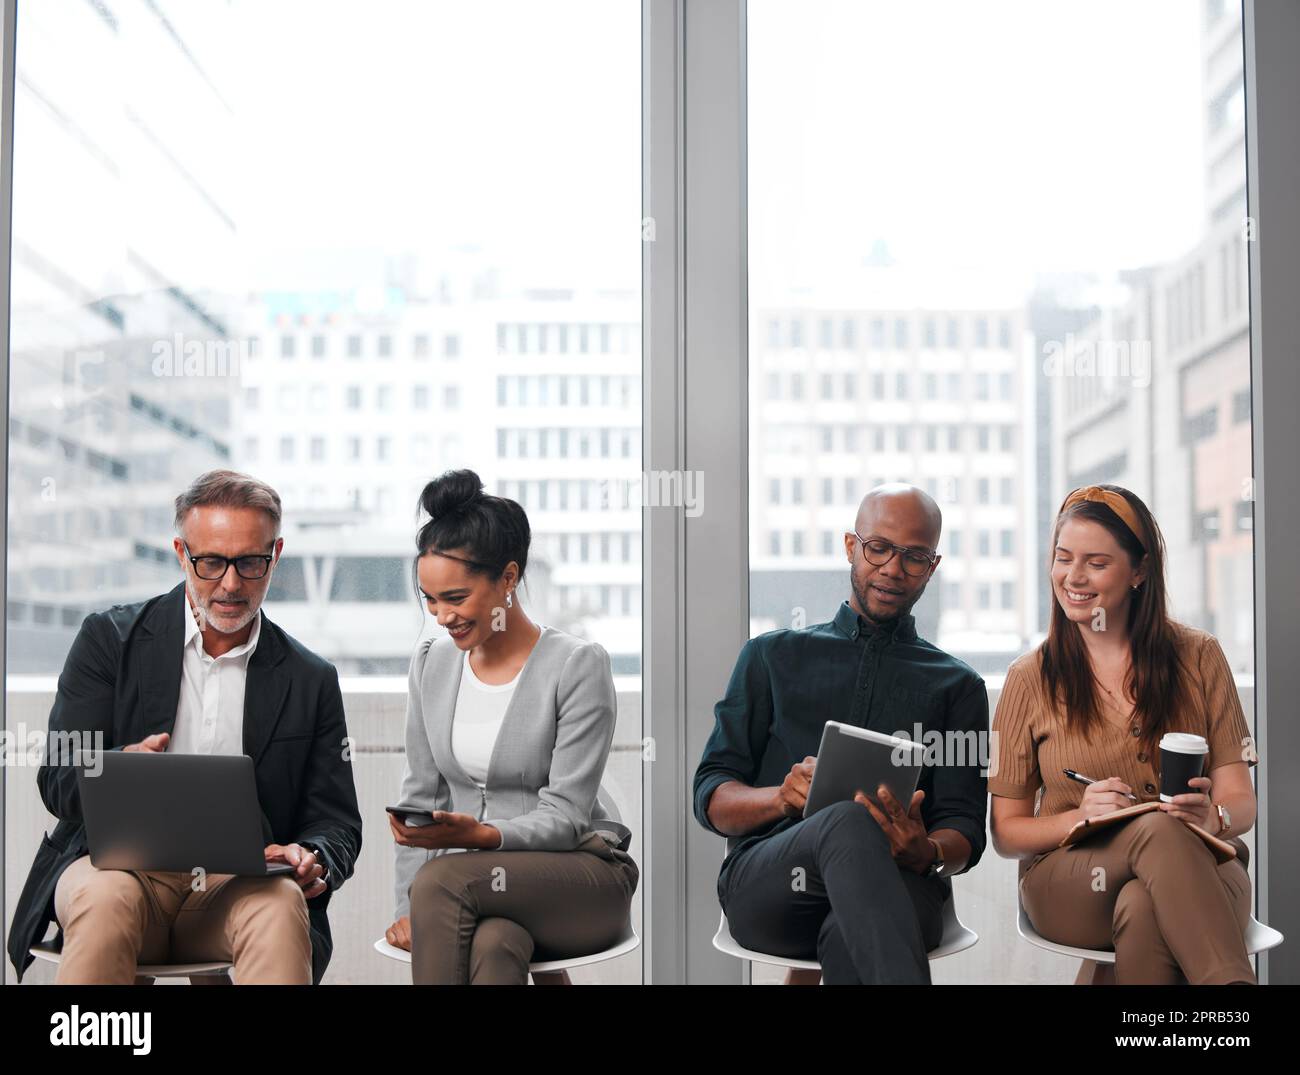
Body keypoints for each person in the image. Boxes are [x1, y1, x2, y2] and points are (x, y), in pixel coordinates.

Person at [6, 470, 363, 985]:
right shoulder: (108, 641)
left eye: (251, 562)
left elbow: (337, 822)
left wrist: (313, 858)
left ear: (276, 554)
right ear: (180, 551)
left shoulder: (311, 679)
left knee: (282, 903)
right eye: (212, 561)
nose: (232, 583)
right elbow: (57, 777)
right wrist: (117, 766)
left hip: (236, 890)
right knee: (103, 898)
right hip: (117, 875)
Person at [693, 484, 988, 984]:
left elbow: (964, 827)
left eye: (914, 557)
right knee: (848, 820)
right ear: (852, 547)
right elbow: (712, 800)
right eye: (879, 548)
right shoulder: (770, 657)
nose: (894, 569)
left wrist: (929, 850)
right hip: (773, 885)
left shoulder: (958, 686)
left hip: (900, 882)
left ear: (932, 567)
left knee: (851, 936)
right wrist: (780, 799)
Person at [989, 483, 1257, 985]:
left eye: (1096, 562)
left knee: (1143, 903)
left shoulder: (1200, 657)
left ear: (1139, 571)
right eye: (1063, 558)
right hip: (1072, 879)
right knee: (1156, 830)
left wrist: (1215, 816)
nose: (1073, 577)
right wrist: (1078, 816)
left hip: (1203, 871)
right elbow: (1006, 832)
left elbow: (1241, 801)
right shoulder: (1029, 678)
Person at [385, 469, 638, 984]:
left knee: (440, 884)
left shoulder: (576, 665)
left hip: (578, 874)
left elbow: (567, 818)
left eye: (455, 598)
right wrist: (406, 906)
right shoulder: (432, 664)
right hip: (478, 887)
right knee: (497, 944)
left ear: (507, 578)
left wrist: (480, 835)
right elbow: (421, 791)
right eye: (430, 600)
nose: (441, 616)